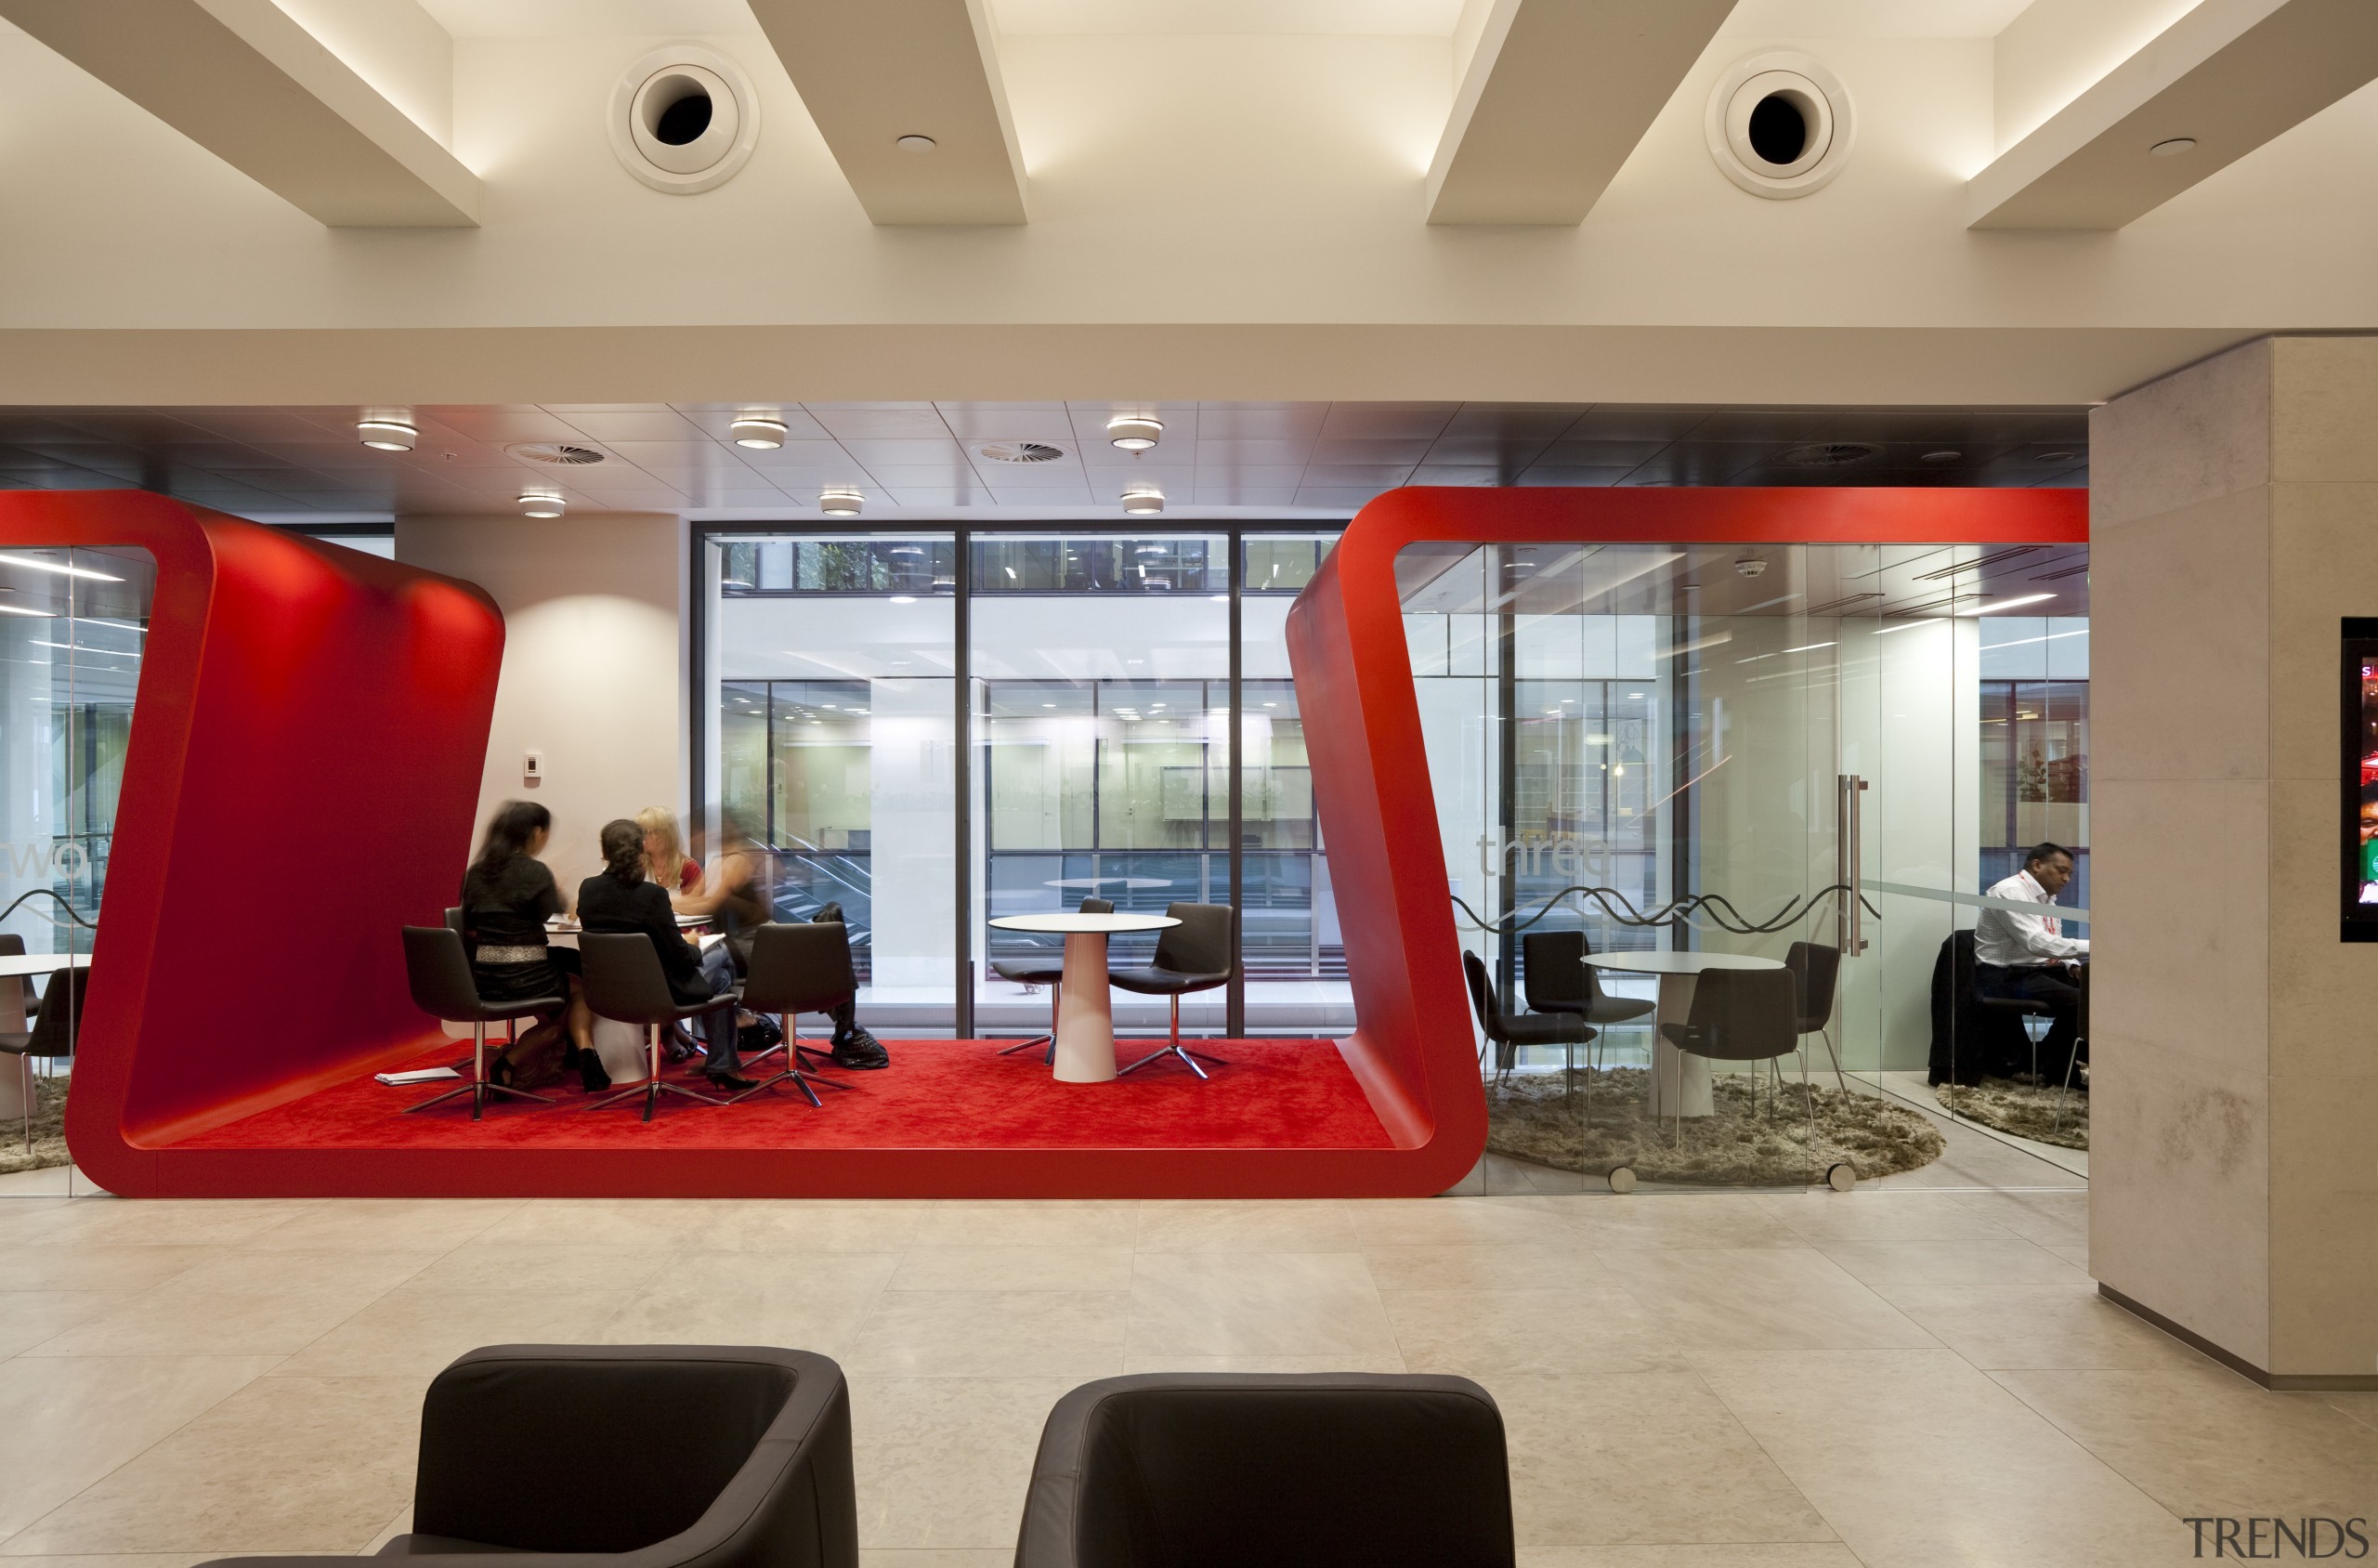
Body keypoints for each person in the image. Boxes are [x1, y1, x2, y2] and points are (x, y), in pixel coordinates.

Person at [676, 810, 888, 1070]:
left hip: (756, 946)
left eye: (697, 833)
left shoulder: (736, 860)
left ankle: (729, 1040)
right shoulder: (719, 861)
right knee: (703, 969)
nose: (694, 838)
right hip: (744, 944)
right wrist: (665, 899)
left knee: (701, 973)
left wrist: (660, 899)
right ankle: (722, 1052)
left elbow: (708, 904)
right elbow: (695, 899)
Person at [578, 818, 751, 1092]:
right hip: (659, 992)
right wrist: (692, 943)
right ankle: (729, 1044)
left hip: (609, 991)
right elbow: (680, 956)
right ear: (640, 851)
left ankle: (723, 1064)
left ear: (605, 852)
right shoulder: (652, 895)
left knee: (719, 980)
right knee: (720, 954)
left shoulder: (588, 889)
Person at [458, 800, 597, 1088]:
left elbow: (469, 925)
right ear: (536, 832)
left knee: (569, 962)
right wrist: (555, 886)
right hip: (527, 978)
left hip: (483, 979)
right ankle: (515, 1061)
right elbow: (551, 912)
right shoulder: (535, 871)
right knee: (581, 989)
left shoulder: (476, 872)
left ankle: (574, 1055)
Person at [1973, 841, 2088, 1084]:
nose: (2067, 879)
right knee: (2083, 1003)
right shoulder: (2009, 892)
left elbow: (2052, 941)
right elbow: (2036, 942)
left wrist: (2073, 964)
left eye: (2069, 873)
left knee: (2098, 994)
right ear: (2037, 865)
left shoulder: (2046, 899)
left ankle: (2046, 1060)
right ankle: (2048, 1063)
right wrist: (2095, 946)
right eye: (2062, 870)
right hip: (2005, 976)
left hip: (2037, 970)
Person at [636, 805, 703, 895]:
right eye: (640, 833)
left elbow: (695, 902)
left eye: (646, 832)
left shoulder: (689, 869)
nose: (641, 838)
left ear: (666, 834)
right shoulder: (638, 866)